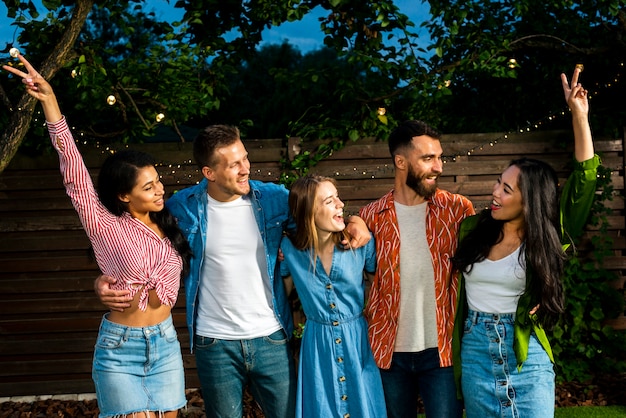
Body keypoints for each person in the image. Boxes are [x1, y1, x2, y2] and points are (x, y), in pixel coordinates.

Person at [96, 125, 372, 418]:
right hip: (214, 344)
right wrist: (103, 280)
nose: (245, 169)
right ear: (209, 172)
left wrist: (356, 219)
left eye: (245, 158)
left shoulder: (273, 199)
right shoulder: (182, 208)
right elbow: (130, 239)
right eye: (234, 164)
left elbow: (318, 215)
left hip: (271, 338)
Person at [3, 55, 193, 418]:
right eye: (149, 186)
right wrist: (50, 102)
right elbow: (74, 173)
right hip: (121, 348)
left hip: (166, 344)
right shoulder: (104, 224)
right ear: (124, 195)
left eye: (159, 182)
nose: (159, 190)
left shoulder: (169, 222)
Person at [451, 67, 597, 417]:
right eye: (498, 183)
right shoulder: (471, 229)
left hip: (525, 354)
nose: (495, 193)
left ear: (530, 201)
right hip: (474, 353)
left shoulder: (548, 238)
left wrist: (579, 116)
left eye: (506, 189)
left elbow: (585, 178)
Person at [359, 119, 474, 418]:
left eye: (439, 158)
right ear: (401, 161)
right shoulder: (370, 216)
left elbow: (490, 258)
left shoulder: (458, 209)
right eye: (428, 158)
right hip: (388, 353)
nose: (438, 167)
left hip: (443, 353)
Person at [279, 174, 386, 418]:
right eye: (329, 201)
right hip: (317, 346)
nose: (340, 204)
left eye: (337, 197)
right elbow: (282, 299)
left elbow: (380, 288)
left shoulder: (360, 244)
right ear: (308, 212)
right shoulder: (289, 250)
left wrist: (357, 220)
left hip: (358, 342)